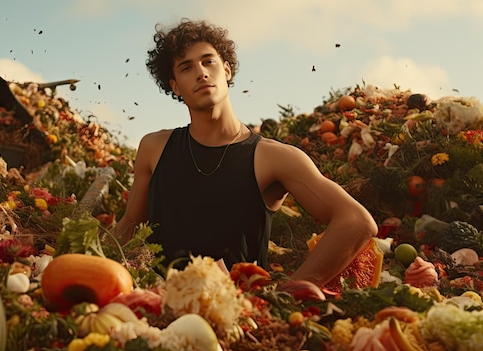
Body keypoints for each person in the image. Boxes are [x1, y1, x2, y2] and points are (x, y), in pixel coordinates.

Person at [114, 18, 377, 288]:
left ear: (226, 69)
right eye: (186, 67)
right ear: (175, 86)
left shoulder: (273, 158)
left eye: (208, 61)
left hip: (238, 319)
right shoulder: (154, 148)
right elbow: (130, 226)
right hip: (156, 314)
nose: (201, 73)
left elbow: (356, 221)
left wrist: (292, 288)